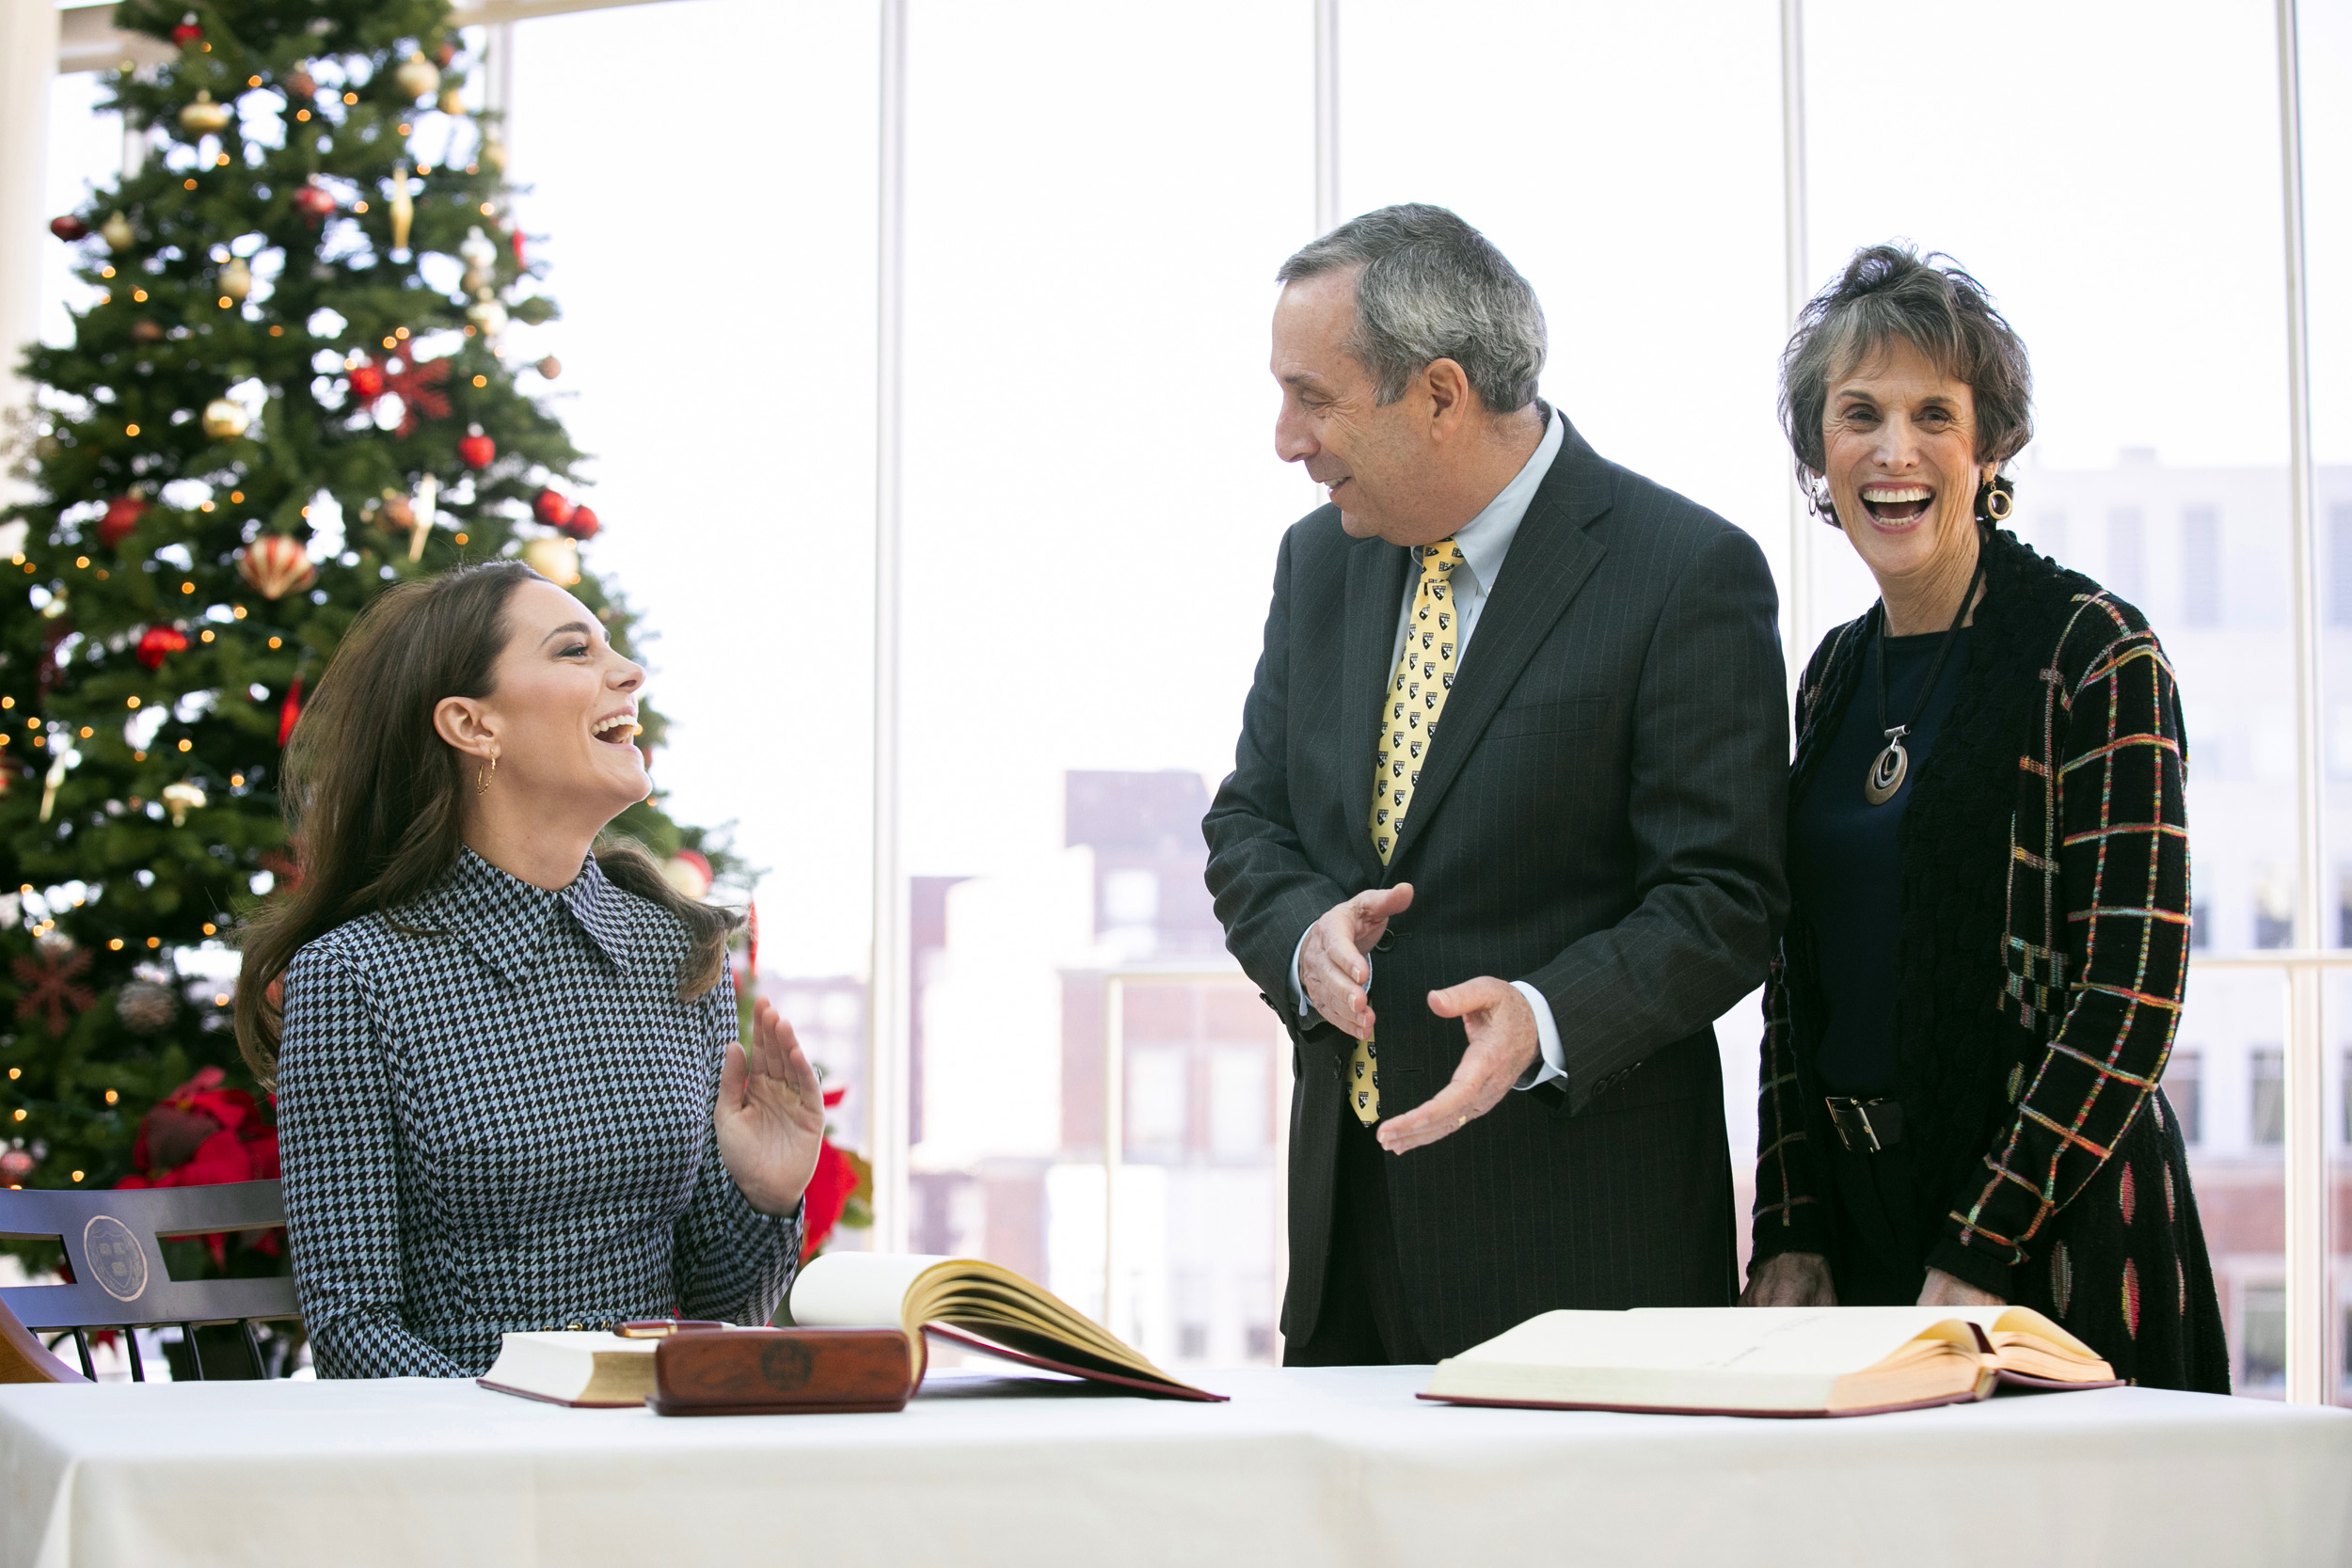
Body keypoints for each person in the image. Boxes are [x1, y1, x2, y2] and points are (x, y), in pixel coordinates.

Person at [1204, 205, 1788, 1365]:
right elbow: (1249, 823)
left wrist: (1546, 1014)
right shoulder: (1317, 560)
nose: (1284, 439)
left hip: (1581, 1264)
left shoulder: (1685, 574)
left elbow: (1727, 899)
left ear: (1436, 393)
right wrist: (1302, 937)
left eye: (1312, 398)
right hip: (1347, 1256)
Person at [1741, 245, 2228, 1390]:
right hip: (1862, 1228)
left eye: (1933, 415)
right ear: (1819, 450)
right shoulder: (1832, 674)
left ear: (1989, 446)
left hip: (2048, 1243)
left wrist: (1978, 1243)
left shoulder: (2092, 650)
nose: (1893, 450)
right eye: (1857, 413)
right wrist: (1791, 1219)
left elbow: (2132, 995)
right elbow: (1794, 980)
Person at [237, 562, 822, 1378]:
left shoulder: (674, 951)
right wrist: (535, 1416)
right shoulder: (355, 976)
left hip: (645, 1439)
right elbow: (352, 1328)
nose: (628, 672)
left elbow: (722, 1304)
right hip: (469, 1467)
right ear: (473, 725)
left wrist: (767, 1195)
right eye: (575, 650)